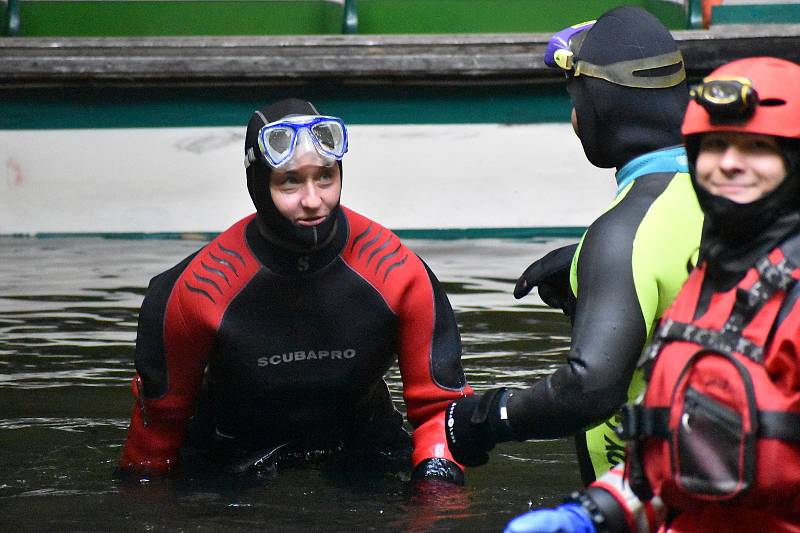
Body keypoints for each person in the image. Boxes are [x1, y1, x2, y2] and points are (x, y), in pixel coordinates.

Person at [503, 56, 800, 533]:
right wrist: (595, 512)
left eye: (756, 147)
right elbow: (679, 455)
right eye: (716, 145)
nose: (729, 163)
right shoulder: (706, 285)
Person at [116, 98, 473, 485]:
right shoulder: (200, 287)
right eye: (289, 181)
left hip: (363, 447)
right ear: (258, 184)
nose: (313, 200)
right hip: (231, 453)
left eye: (325, 176)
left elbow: (440, 409)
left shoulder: (396, 272)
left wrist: (437, 493)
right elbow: (159, 428)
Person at [444, 5, 704, 484]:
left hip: (648, 504)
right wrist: (583, 261)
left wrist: (483, 419)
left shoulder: (626, 230)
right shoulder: (730, 196)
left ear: (599, 108)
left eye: (575, 98)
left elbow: (590, 388)